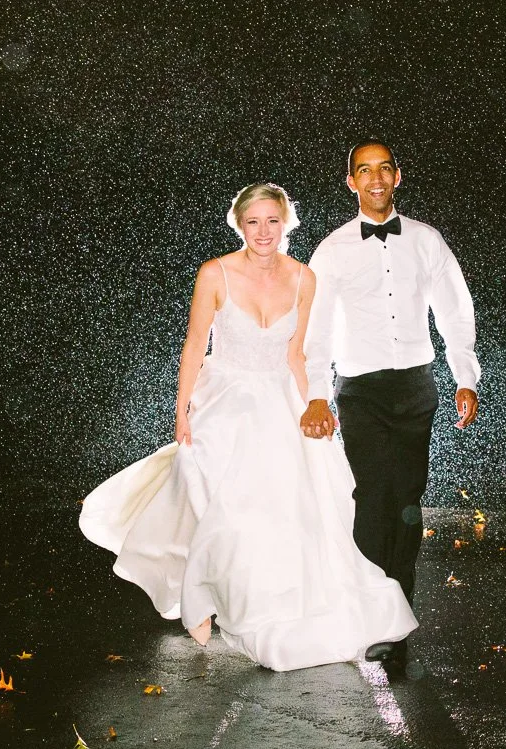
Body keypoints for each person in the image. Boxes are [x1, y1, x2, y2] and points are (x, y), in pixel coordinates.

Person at [78, 182, 417, 672]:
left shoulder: (305, 279)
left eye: (272, 221)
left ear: (286, 224)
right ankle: (200, 596)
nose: (263, 231)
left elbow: (297, 354)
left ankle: (257, 605)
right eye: (253, 221)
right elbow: (195, 345)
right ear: (239, 224)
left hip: (280, 399)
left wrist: (317, 404)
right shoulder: (214, 273)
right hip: (226, 402)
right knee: (223, 505)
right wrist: (181, 410)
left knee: (282, 511)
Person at [300, 140, 479, 676]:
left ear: (397, 177)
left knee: (406, 500)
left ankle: (396, 617)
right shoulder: (331, 250)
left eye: (384, 169)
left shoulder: (426, 241)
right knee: (373, 495)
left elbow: (455, 309)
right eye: (363, 171)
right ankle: (371, 616)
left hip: (417, 387)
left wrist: (464, 377)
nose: (374, 179)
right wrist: (317, 391)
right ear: (350, 181)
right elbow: (317, 330)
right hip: (360, 389)